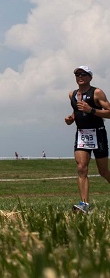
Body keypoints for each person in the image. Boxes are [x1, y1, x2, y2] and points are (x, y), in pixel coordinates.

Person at [65, 65, 110, 214]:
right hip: (82, 134)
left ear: (90, 77)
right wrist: (72, 117)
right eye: (77, 74)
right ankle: (84, 205)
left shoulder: (96, 93)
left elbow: (109, 112)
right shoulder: (72, 94)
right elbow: (77, 110)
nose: (80, 77)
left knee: (103, 171)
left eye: (83, 74)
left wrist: (91, 110)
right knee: (81, 168)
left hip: (98, 134)